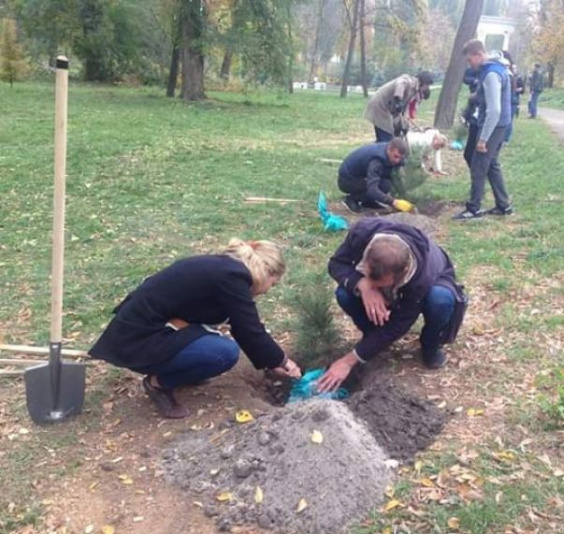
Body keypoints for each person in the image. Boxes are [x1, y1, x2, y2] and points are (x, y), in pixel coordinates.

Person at [89, 240, 302, 418]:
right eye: (272, 284)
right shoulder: (233, 277)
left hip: (143, 330)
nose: (267, 291)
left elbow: (242, 324)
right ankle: (158, 383)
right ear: (267, 271)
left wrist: (272, 359)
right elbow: (249, 328)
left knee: (214, 345)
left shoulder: (224, 269)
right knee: (223, 353)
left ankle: (184, 371)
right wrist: (280, 361)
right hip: (138, 339)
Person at [317, 218, 465, 392]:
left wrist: (347, 361)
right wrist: (363, 285)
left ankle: (430, 345)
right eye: (370, 276)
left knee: (439, 300)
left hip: (438, 280)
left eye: (380, 284)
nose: (374, 286)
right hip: (384, 278)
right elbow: (336, 264)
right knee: (344, 294)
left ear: (401, 274)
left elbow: (399, 325)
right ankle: (372, 335)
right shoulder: (361, 234)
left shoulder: (421, 278)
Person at [453, 39, 513, 220]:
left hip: (493, 126)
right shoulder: (495, 67)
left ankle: (474, 208)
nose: (469, 65)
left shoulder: (491, 74)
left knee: (478, 165)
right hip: (502, 124)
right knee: (492, 164)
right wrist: (476, 96)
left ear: (479, 54)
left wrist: (483, 139)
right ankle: (504, 206)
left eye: (470, 60)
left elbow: (494, 110)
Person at [338, 137, 414, 213]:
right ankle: (352, 199)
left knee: (386, 184)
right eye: (396, 156)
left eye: (400, 158)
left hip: (361, 175)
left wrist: (404, 196)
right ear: (389, 150)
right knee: (382, 186)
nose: (397, 160)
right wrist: (393, 202)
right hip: (347, 180)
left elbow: (397, 176)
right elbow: (372, 189)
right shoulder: (377, 161)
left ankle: (368, 202)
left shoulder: (390, 153)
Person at [365, 71, 435, 142]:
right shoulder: (409, 81)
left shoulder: (414, 91)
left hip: (387, 109)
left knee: (389, 137)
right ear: (423, 82)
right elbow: (400, 82)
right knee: (387, 137)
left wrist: (404, 126)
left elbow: (403, 112)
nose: (427, 88)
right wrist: (398, 98)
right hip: (380, 106)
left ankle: (374, 151)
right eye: (427, 85)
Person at [461, 66, 481, 167]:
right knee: (468, 154)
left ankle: (478, 177)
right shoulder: (471, 69)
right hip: (474, 116)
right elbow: (465, 78)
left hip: (481, 120)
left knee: (474, 155)